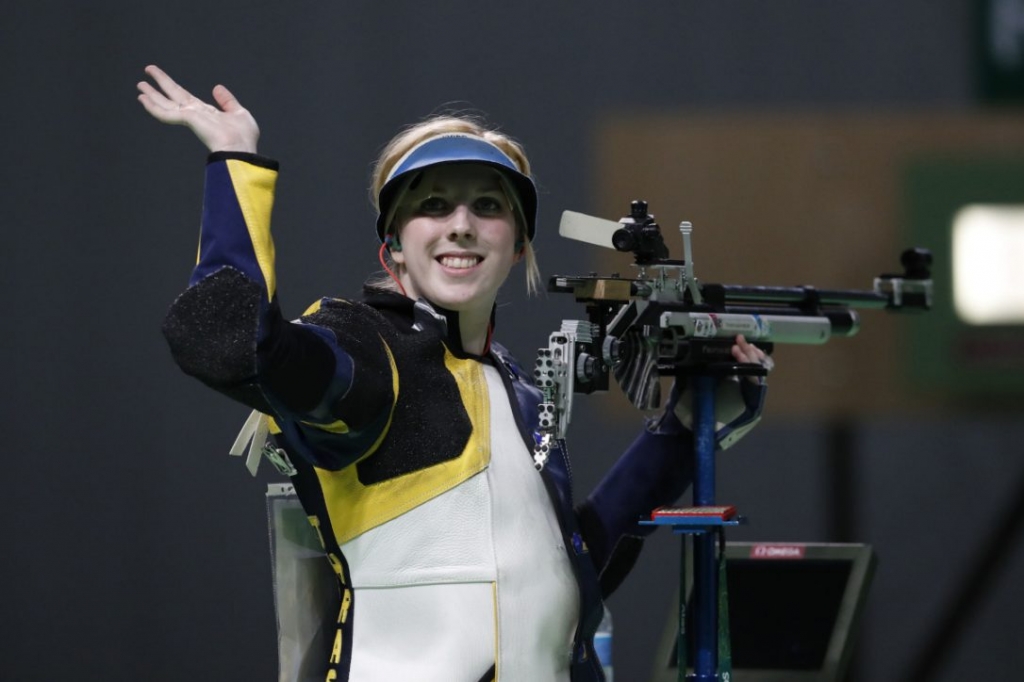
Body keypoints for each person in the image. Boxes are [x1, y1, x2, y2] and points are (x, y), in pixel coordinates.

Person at [137, 64, 769, 682]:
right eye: (433, 206)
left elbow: (566, 576)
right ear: (393, 247)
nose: (461, 224)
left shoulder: (513, 388)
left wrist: (684, 428)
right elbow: (224, 340)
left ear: (519, 245)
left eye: (487, 206)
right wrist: (235, 164)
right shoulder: (365, 346)